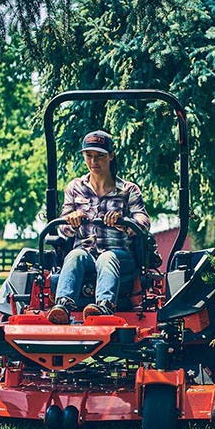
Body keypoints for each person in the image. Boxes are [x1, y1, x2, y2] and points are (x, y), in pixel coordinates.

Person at [47, 130, 150, 324]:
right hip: (84, 251)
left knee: (106, 257)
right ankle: (62, 306)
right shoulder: (75, 187)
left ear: (111, 156)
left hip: (119, 254)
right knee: (75, 255)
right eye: (89, 156)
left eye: (100, 156)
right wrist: (71, 220)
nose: (94, 162)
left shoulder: (128, 190)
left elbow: (143, 222)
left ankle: (103, 307)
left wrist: (123, 223)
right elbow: (62, 229)